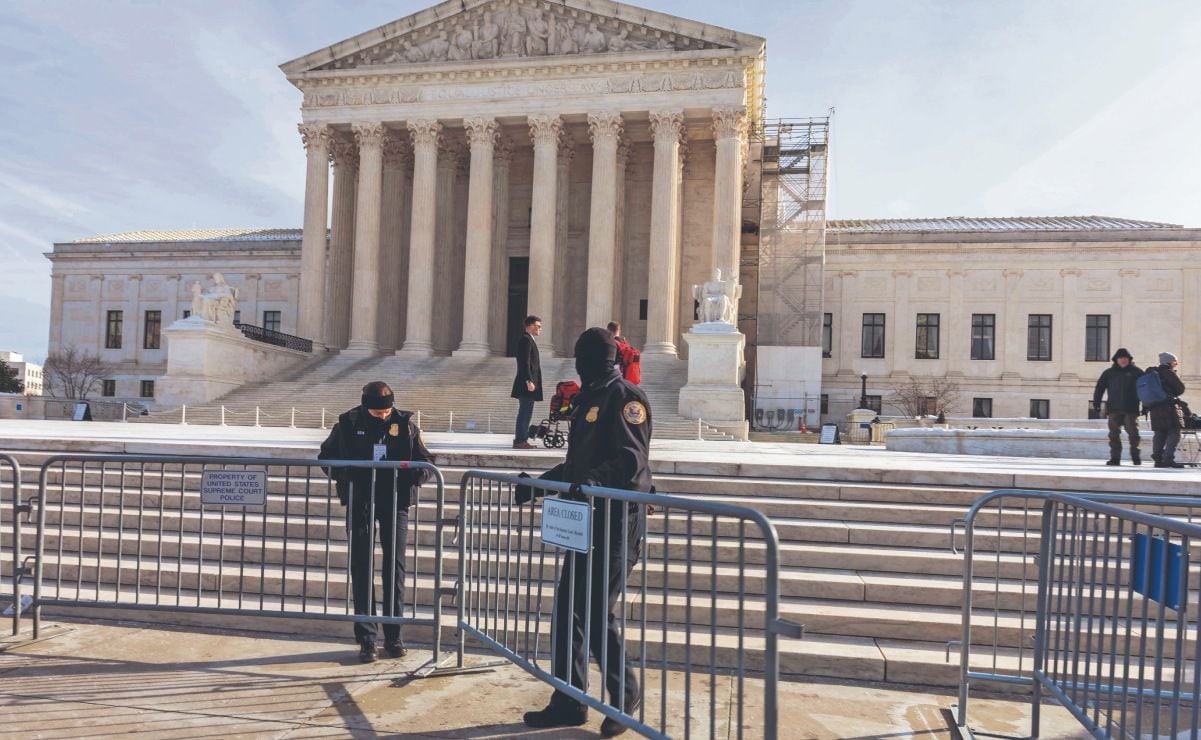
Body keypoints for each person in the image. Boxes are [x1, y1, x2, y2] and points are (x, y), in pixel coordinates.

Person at [517, 327, 652, 737]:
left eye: (586, 356)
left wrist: (593, 482)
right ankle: (568, 699)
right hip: (582, 522)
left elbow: (631, 459)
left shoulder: (626, 397)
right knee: (567, 612)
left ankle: (624, 694)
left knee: (594, 613)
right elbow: (577, 465)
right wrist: (538, 484)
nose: (580, 363)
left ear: (605, 358)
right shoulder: (589, 397)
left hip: (615, 520)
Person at [318, 381, 434, 662]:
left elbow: (426, 461)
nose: (383, 415)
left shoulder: (406, 425)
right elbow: (326, 457)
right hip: (361, 502)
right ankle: (367, 639)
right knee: (362, 567)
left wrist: (413, 475)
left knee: (394, 568)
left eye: (386, 411)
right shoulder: (347, 423)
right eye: (376, 412)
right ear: (365, 406)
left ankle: (394, 637)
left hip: (395, 502)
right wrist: (352, 476)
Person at [1092, 347, 1143, 465]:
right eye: (1120, 358)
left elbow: (1145, 389)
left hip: (1131, 409)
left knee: (1134, 434)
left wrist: (1146, 405)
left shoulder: (1137, 372)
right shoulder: (1109, 373)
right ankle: (1115, 458)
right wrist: (1096, 403)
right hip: (1113, 408)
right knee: (1114, 435)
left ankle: (1135, 457)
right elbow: (1099, 388)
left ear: (1129, 359)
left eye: (1125, 358)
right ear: (1116, 360)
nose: (1123, 360)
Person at [1146, 352, 1188, 468]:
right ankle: (1168, 458)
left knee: (1159, 433)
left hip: (1154, 408)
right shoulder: (1168, 373)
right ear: (1169, 361)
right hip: (1168, 407)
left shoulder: (1152, 374)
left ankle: (1158, 459)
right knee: (1174, 431)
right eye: (1175, 361)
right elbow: (1180, 389)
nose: (1176, 363)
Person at [511, 315, 544, 449]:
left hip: (529, 383)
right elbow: (524, 362)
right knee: (524, 413)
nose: (540, 329)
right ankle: (520, 440)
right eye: (538, 326)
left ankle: (522, 439)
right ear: (530, 326)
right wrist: (528, 380)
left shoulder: (530, 340)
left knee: (526, 412)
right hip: (526, 384)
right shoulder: (525, 340)